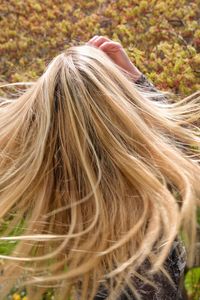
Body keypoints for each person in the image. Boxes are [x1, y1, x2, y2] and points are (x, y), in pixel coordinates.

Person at [0, 35, 199, 300]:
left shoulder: (64, 188)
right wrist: (138, 83)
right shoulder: (146, 185)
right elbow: (175, 142)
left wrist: (137, 82)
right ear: (129, 118)